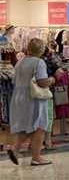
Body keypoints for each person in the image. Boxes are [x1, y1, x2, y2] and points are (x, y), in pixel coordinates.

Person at [7, 38, 55, 166]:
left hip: (19, 97)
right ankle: (36, 157)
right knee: (39, 126)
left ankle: (15, 149)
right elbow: (41, 82)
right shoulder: (39, 62)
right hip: (34, 98)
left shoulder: (20, 62)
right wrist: (52, 79)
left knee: (28, 125)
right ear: (42, 50)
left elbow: (14, 81)